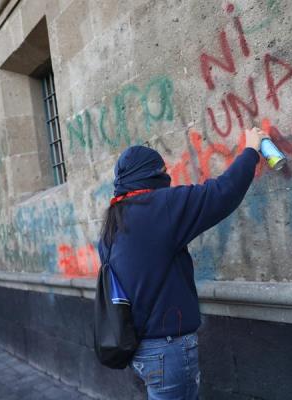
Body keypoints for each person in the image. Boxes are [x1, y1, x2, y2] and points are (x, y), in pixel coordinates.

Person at [98, 127, 266, 399]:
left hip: (140, 350)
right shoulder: (158, 206)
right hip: (167, 349)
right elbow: (221, 193)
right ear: (152, 173)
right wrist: (251, 149)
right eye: (162, 170)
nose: (168, 175)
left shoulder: (113, 220)